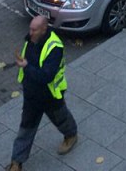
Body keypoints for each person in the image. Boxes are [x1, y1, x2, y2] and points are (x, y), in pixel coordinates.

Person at [7, 15, 78, 171]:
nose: (30, 32)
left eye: (34, 29)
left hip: (49, 95)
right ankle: (17, 162)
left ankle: (71, 134)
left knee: (61, 118)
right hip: (32, 95)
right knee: (26, 128)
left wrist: (25, 66)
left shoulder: (55, 47)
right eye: (30, 28)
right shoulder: (31, 39)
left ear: (44, 29)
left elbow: (46, 76)